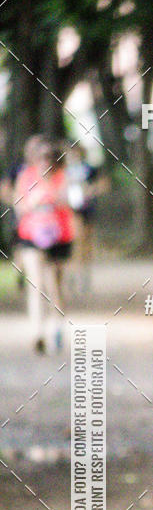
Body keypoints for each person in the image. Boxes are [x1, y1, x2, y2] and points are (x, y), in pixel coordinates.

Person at [14, 138, 75, 353]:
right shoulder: (26, 176)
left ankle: (57, 326)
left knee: (55, 286)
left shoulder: (62, 177)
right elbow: (19, 205)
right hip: (31, 236)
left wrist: (51, 195)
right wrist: (32, 203)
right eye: (41, 157)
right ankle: (37, 332)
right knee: (36, 283)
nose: (44, 161)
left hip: (59, 237)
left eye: (49, 157)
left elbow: (68, 201)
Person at [66, 144, 108, 296]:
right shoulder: (63, 170)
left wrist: (91, 190)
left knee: (85, 243)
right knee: (74, 241)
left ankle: (84, 274)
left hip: (86, 209)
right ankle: (72, 274)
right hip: (70, 210)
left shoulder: (89, 168)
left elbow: (103, 184)